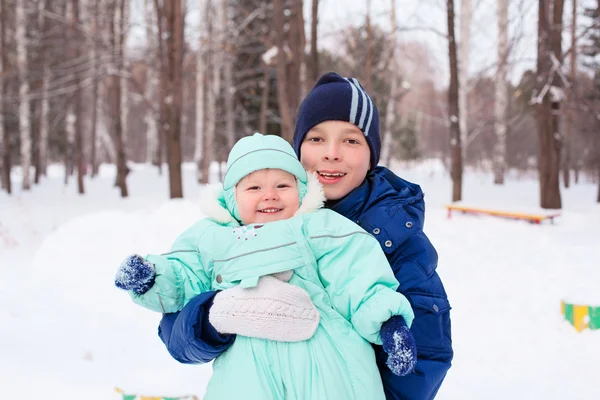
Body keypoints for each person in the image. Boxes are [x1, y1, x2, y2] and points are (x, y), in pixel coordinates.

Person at [158, 72, 453, 400]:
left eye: (351, 140)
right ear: (297, 150)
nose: (332, 153)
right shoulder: (250, 219)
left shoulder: (398, 241)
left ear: (372, 154)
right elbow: (176, 333)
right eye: (316, 139)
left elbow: (426, 357)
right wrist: (216, 315)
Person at [115, 133, 418, 400]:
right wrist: (151, 277)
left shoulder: (318, 227)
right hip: (247, 371)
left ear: (301, 192)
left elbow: (356, 273)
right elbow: (183, 276)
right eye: (254, 188)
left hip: (326, 365)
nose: (269, 195)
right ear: (232, 199)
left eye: (282, 185)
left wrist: (388, 322)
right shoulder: (212, 238)